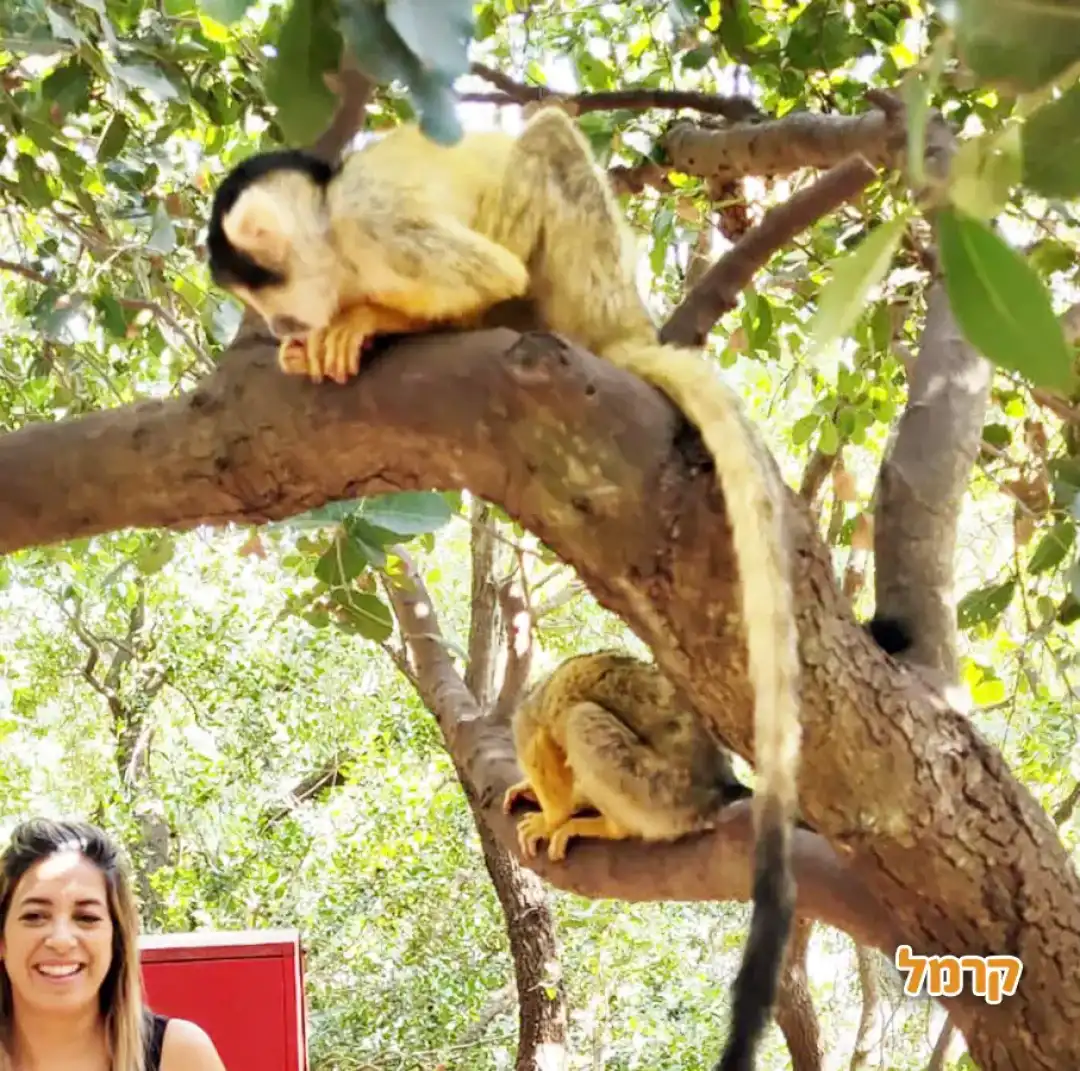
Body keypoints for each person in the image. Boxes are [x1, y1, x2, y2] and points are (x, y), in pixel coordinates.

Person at [0, 817, 227, 1071]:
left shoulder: (180, 1055)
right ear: (3, 939)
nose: (61, 941)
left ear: (116, 938)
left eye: (86, 918)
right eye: (34, 917)